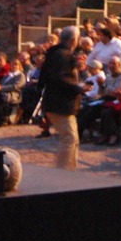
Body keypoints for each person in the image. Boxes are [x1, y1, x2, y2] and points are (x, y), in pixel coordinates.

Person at [37, 26, 82, 170]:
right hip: (61, 104)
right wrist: (79, 88)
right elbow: (60, 79)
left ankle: (71, 170)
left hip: (55, 102)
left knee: (72, 138)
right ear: (74, 40)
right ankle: (63, 172)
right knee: (69, 137)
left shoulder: (55, 53)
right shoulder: (63, 55)